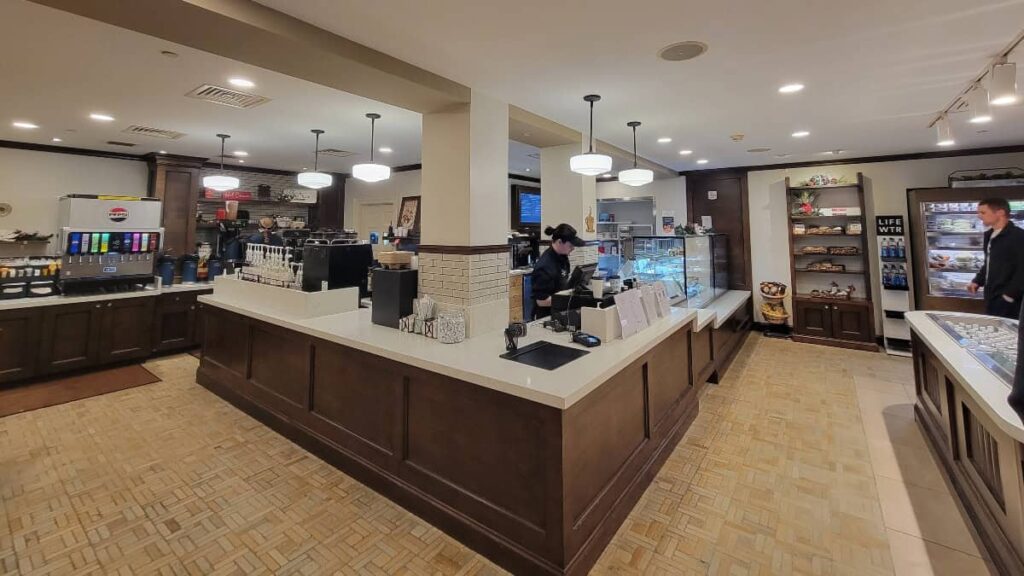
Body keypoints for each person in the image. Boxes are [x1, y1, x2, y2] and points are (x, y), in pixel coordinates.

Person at [968, 197, 1024, 319]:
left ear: (1000, 213)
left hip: (1009, 300)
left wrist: (1009, 295)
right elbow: (989, 262)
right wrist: (977, 281)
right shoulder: (989, 235)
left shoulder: (1018, 236)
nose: (979, 216)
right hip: (992, 295)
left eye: (983, 212)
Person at [530, 223, 586, 319]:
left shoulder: (563, 257)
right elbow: (541, 301)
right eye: (570, 245)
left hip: (560, 311)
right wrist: (568, 300)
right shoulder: (544, 266)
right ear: (559, 242)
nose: (573, 248)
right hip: (546, 316)